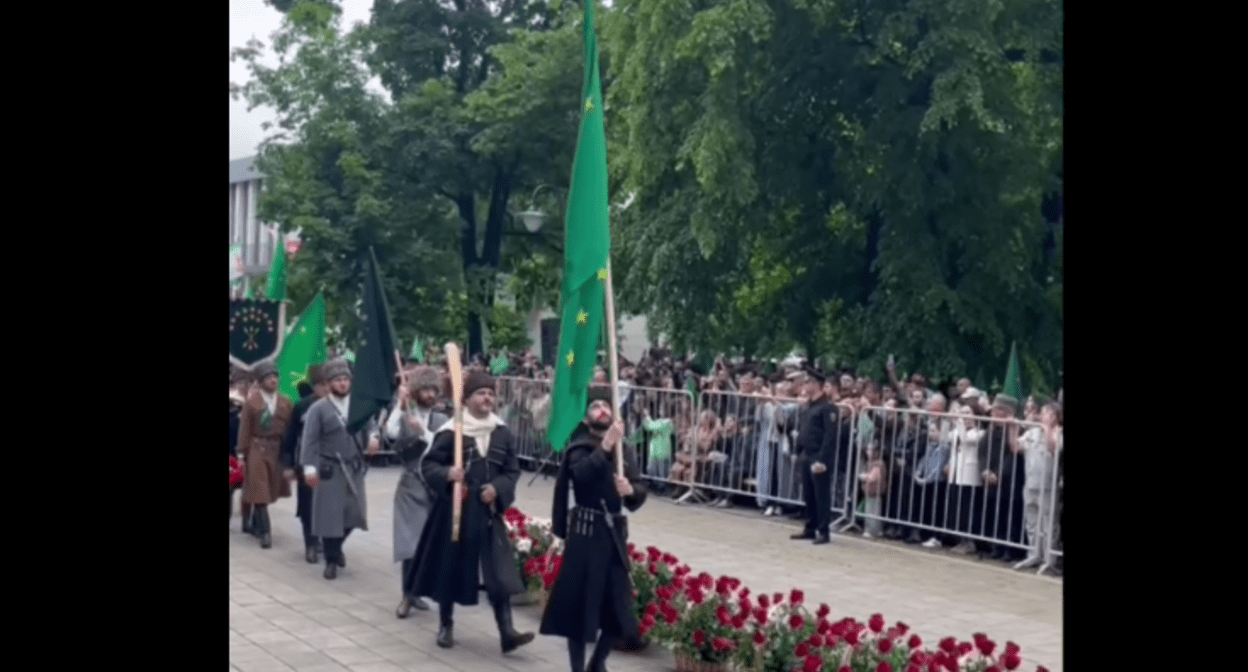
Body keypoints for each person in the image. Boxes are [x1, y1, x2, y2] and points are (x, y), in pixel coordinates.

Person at [405, 371, 533, 653]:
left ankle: (507, 632)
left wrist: (498, 488)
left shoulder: (502, 431)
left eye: (490, 393)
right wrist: (448, 473)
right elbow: (429, 465)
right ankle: (445, 625)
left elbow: (512, 470)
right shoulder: (452, 431)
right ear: (467, 399)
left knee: (498, 572)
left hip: (487, 512)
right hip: (456, 511)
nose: (487, 398)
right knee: (449, 568)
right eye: (480, 393)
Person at [540, 387, 648, 672]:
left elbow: (639, 491)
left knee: (620, 610)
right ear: (586, 418)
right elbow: (582, 476)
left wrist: (631, 490)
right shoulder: (579, 447)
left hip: (613, 534)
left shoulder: (625, 450)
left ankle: (597, 662)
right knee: (579, 610)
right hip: (585, 534)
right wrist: (605, 446)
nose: (602, 410)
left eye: (606, 405)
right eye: (595, 406)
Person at [300, 359, 379, 579]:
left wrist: (373, 437)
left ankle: (335, 548)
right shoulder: (318, 408)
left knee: (355, 514)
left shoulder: (359, 404)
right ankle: (331, 560)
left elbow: (371, 425)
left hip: (354, 466)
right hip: (330, 468)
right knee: (330, 517)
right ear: (328, 383)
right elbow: (310, 440)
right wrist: (309, 468)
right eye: (337, 380)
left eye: (345, 379)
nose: (343, 384)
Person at [388, 366, 447, 618]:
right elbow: (390, 433)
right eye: (425, 389)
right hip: (411, 487)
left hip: (435, 488)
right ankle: (407, 595)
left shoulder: (442, 420)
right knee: (409, 545)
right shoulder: (404, 414)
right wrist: (400, 406)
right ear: (415, 392)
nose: (430, 394)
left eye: (433, 389)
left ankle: (419, 592)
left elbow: (444, 446)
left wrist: (423, 432)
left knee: (428, 545)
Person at [238, 361, 293, 549]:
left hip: (277, 450)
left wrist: (290, 455)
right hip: (257, 448)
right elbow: (245, 429)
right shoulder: (252, 402)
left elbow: (290, 430)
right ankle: (265, 532)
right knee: (260, 490)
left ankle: (253, 522)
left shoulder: (285, 402)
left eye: (275, 377)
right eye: (268, 377)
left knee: (269, 490)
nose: (273, 380)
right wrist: (241, 454)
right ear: (260, 381)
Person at [281, 366, 327, 564]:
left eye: (328, 384)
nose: (326, 388)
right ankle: (311, 544)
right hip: (307, 463)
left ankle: (329, 543)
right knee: (308, 506)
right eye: (321, 384)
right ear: (314, 387)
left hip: (331, 464)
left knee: (329, 506)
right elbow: (290, 438)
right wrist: (288, 465)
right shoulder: (302, 407)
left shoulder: (339, 406)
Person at [790, 369, 840, 545]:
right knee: (809, 495)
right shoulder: (809, 406)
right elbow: (803, 431)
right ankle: (810, 528)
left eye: (808, 382)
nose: (805, 385)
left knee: (821, 496)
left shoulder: (827, 407)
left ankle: (823, 531)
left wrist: (822, 460)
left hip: (818, 456)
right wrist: (797, 451)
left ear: (816, 385)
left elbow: (829, 436)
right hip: (806, 454)